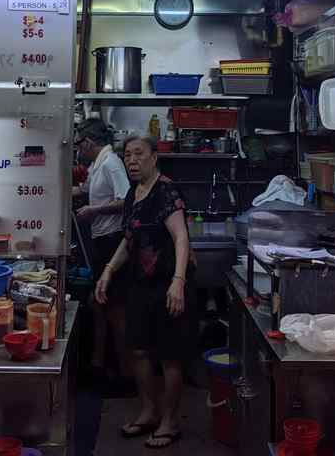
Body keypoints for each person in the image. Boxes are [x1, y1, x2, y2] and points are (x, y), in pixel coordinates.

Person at [96, 133, 195, 450]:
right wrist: (108, 271)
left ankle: (169, 421)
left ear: (154, 157)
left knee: (170, 355)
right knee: (137, 349)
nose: (132, 160)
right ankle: (149, 411)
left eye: (139, 154)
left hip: (168, 285)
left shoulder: (165, 190)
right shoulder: (132, 195)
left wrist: (178, 281)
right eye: (127, 155)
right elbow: (129, 240)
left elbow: (180, 237)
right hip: (139, 284)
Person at [73, 119, 131, 385]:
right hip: (101, 241)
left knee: (115, 309)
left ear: (88, 142)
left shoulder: (111, 163)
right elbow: (86, 190)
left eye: (78, 146)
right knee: (99, 304)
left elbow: (126, 199)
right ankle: (99, 365)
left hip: (113, 241)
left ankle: (125, 374)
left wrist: (94, 211)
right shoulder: (98, 165)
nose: (78, 152)